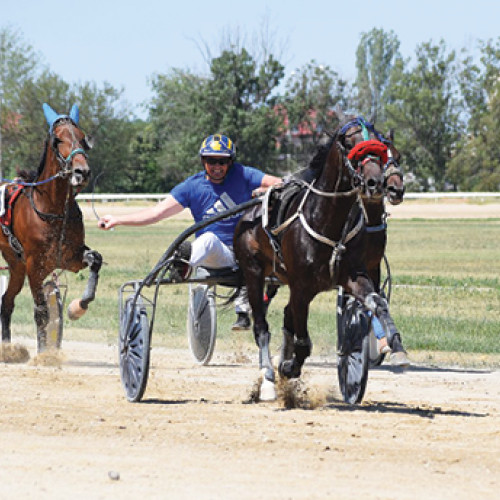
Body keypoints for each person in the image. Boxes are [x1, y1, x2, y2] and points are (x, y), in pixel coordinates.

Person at [98, 134, 282, 330]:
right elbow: (156, 212)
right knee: (208, 239)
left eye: (222, 161)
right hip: (218, 255)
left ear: (231, 162)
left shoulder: (244, 174)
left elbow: (279, 182)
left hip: (247, 253)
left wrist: (266, 190)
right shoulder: (191, 187)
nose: (217, 166)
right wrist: (118, 220)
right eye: (211, 161)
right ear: (203, 161)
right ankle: (183, 266)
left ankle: (245, 307)